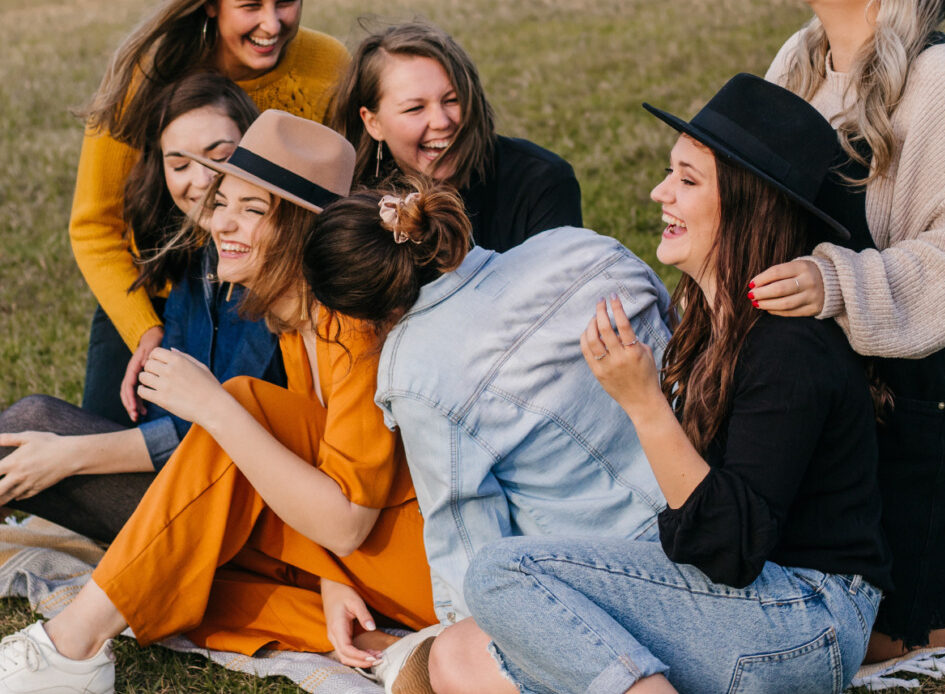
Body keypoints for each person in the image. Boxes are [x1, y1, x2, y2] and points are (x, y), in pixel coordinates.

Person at [429, 74, 893, 694]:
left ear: (748, 206)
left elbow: (727, 549)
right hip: (747, 608)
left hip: (807, 619)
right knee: (460, 653)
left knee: (498, 574)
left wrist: (644, 404)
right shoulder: (713, 323)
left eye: (687, 180)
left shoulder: (789, 348)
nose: (659, 193)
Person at [0, 112, 436, 694]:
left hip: (426, 562)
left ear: (305, 233)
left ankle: (70, 646)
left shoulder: (352, 326)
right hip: (366, 562)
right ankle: (383, 646)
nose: (223, 223)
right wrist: (330, 582)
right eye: (223, 202)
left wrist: (214, 406)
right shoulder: (294, 322)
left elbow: (348, 522)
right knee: (176, 573)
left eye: (253, 211)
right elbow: (318, 476)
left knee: (240, 407)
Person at [301, 177, 670, 686]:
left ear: (357, 313)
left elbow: (471, 550)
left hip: (615, 581)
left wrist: (453, 650)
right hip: (710, 499)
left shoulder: (414, 371)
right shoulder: (578, 244)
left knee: (452, 655)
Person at [751, 0, 945, 658]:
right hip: (812, 386)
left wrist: (836, 284)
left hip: (914, 400)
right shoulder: (799, 58)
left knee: (887, 639)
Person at [0, 72, 284, 544]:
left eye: (221, 157)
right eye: (180, 164)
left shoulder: (267, 271)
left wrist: (70, 456)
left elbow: (216, 431)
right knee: (29, 426)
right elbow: (166, 410)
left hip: (245, 515)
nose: (202, 181)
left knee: (33, 435)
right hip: (188, 484)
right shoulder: (198, 257)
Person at [72, 0, 347, 426]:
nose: (272, 24)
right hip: (157, 294)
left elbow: (339, 192)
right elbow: (94, 228)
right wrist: (145, 331)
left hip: (265, 293)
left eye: (286, 3)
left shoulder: (328, 64)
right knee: (101, 439)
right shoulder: (149, 72)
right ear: (211, 6)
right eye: (251, 5)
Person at [329, 21, 583, 253]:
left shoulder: (540, 182)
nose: (442, 122)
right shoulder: (350, 205)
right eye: (415, 108)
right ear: (373, 123)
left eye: (453, 100)